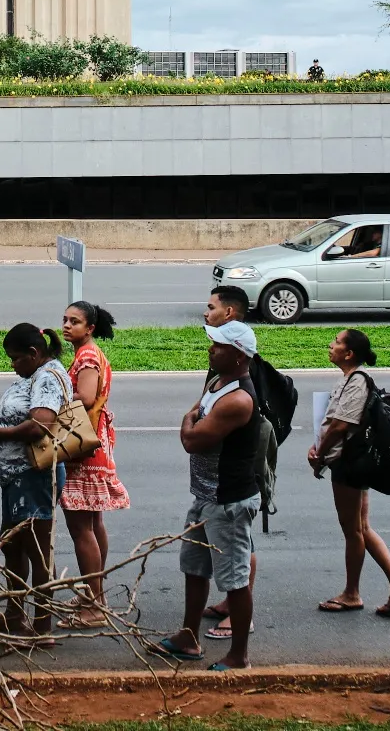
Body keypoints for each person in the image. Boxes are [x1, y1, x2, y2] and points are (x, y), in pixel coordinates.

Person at [156, 319, 262, 670]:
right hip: (205, 497)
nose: (210, 348)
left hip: (228, 502)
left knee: (233, 580)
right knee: (195, 568)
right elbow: (195, 418)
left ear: (238, 355)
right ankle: (189, 638)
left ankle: (239, 656)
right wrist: (193, 419)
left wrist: (190, 421)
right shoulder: (218, 382)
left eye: (218, 345)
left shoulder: (239, 399)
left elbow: (192, 438)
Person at [305, 328, 390, 621]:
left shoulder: (357, 381)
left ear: (349, 353)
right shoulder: (349, 380)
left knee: (353, 532)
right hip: (352, 461)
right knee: (362, 527)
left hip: (349, 464)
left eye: (337, 342)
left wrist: (320, 456)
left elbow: (340, 425)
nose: (331, 345)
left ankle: (352, 594)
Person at [0, 322, 72, 642]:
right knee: (12, 543)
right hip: (17, 476)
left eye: (16, 358)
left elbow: (40, 426)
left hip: (34, 476)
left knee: (37, 551)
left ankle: (42, 626)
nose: (12, 364)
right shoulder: (38, 373)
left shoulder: (47, 376)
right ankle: (14, 616)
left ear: (34, 354)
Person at [58, 300, 129, 627]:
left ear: (90, 328)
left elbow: (85, 398)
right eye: (65, 319)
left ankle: (94, 605)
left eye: (75, 321)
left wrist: (52, 400)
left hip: (82, 446)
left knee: (80, 528)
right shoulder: (91, 353)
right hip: (95, 443)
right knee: (93, 523)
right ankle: (93, 592)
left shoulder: (86, 356)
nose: (67, 325)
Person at [197, 284, 256, 634]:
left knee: (239, 552)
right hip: (215, 488)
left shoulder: (242, 369)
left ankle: (238, 625)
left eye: (210, 307)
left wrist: (193, 424)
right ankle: (228, 608)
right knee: (231, 549)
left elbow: (193, 433)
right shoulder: (221, 370)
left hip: (235, 484)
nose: (206, 312)